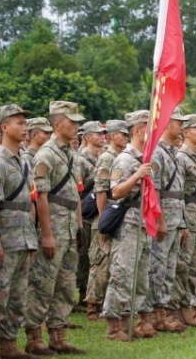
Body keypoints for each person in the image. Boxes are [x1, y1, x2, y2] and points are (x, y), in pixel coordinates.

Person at [0, 104, 38, 359]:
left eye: (25, 123)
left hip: (24, 237)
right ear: (4, 127)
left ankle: (9, 343)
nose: (25, 128)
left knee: (18, 295)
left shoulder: (24, 161)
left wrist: (34, 236)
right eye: (19, 123)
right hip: (7, 237)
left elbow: (31, 200)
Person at [25, 101, 86, 355]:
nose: (76, 126)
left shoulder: (71, 155)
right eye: (71, 122)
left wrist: (80, 227)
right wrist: (47, 234)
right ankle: (34, 338)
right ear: (57, 124)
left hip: (70, 228)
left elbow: (75, 196)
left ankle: (58, 335)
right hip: (54, 229)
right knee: (43, 283)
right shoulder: (46, 154)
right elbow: (41, 197)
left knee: (65, 283)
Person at [101, 110, 159, 342]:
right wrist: (136, 175)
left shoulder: (145, 158)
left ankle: (128, 322)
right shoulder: (125, 159)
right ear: (137, 130)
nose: (153, 132)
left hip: (144, 222)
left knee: (140, 277)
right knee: (122, 274)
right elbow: (115, 192)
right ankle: (113, 327)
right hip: (129, 222)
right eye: (148, 128)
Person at [146, 108, 189, 333]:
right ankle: (153, 314)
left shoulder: (173, 153)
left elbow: (177, 192)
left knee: (169, 269)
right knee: (157, 268)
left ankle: (162, 312)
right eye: (177, 122)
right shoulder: (157, 153)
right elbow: (155, 191)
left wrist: (181, 223)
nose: (181, 126)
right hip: (163, 222)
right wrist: (160, 220)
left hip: (174, 220)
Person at [85, 120, 129, 321]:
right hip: (107, 214)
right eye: (123, 134)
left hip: (118, 213)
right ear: (113, 136)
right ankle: (93, 307)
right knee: (101, 262)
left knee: (114, 262)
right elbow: (101, 192)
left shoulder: (122, 157)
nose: (126, 137)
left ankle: (106, 304)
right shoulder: (107, 158)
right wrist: (104, 223)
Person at [172, 114, 196, 327]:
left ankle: (188, 309)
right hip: (186, 215)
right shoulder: (181, 157)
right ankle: (176, 310)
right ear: (186, 132)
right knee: (182, 266)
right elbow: (176, 193)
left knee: (194, 267)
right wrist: (181, 223)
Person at [75, 121, 107, 313]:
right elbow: (78, 188)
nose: (102, 136)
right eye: (97, 133)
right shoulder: (81, 159)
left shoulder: (98, 157)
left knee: (92, 255)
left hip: (95, 210)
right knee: (84, 256)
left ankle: (86, 295)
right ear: (87, 137)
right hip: (85, 211)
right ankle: (81, 296)